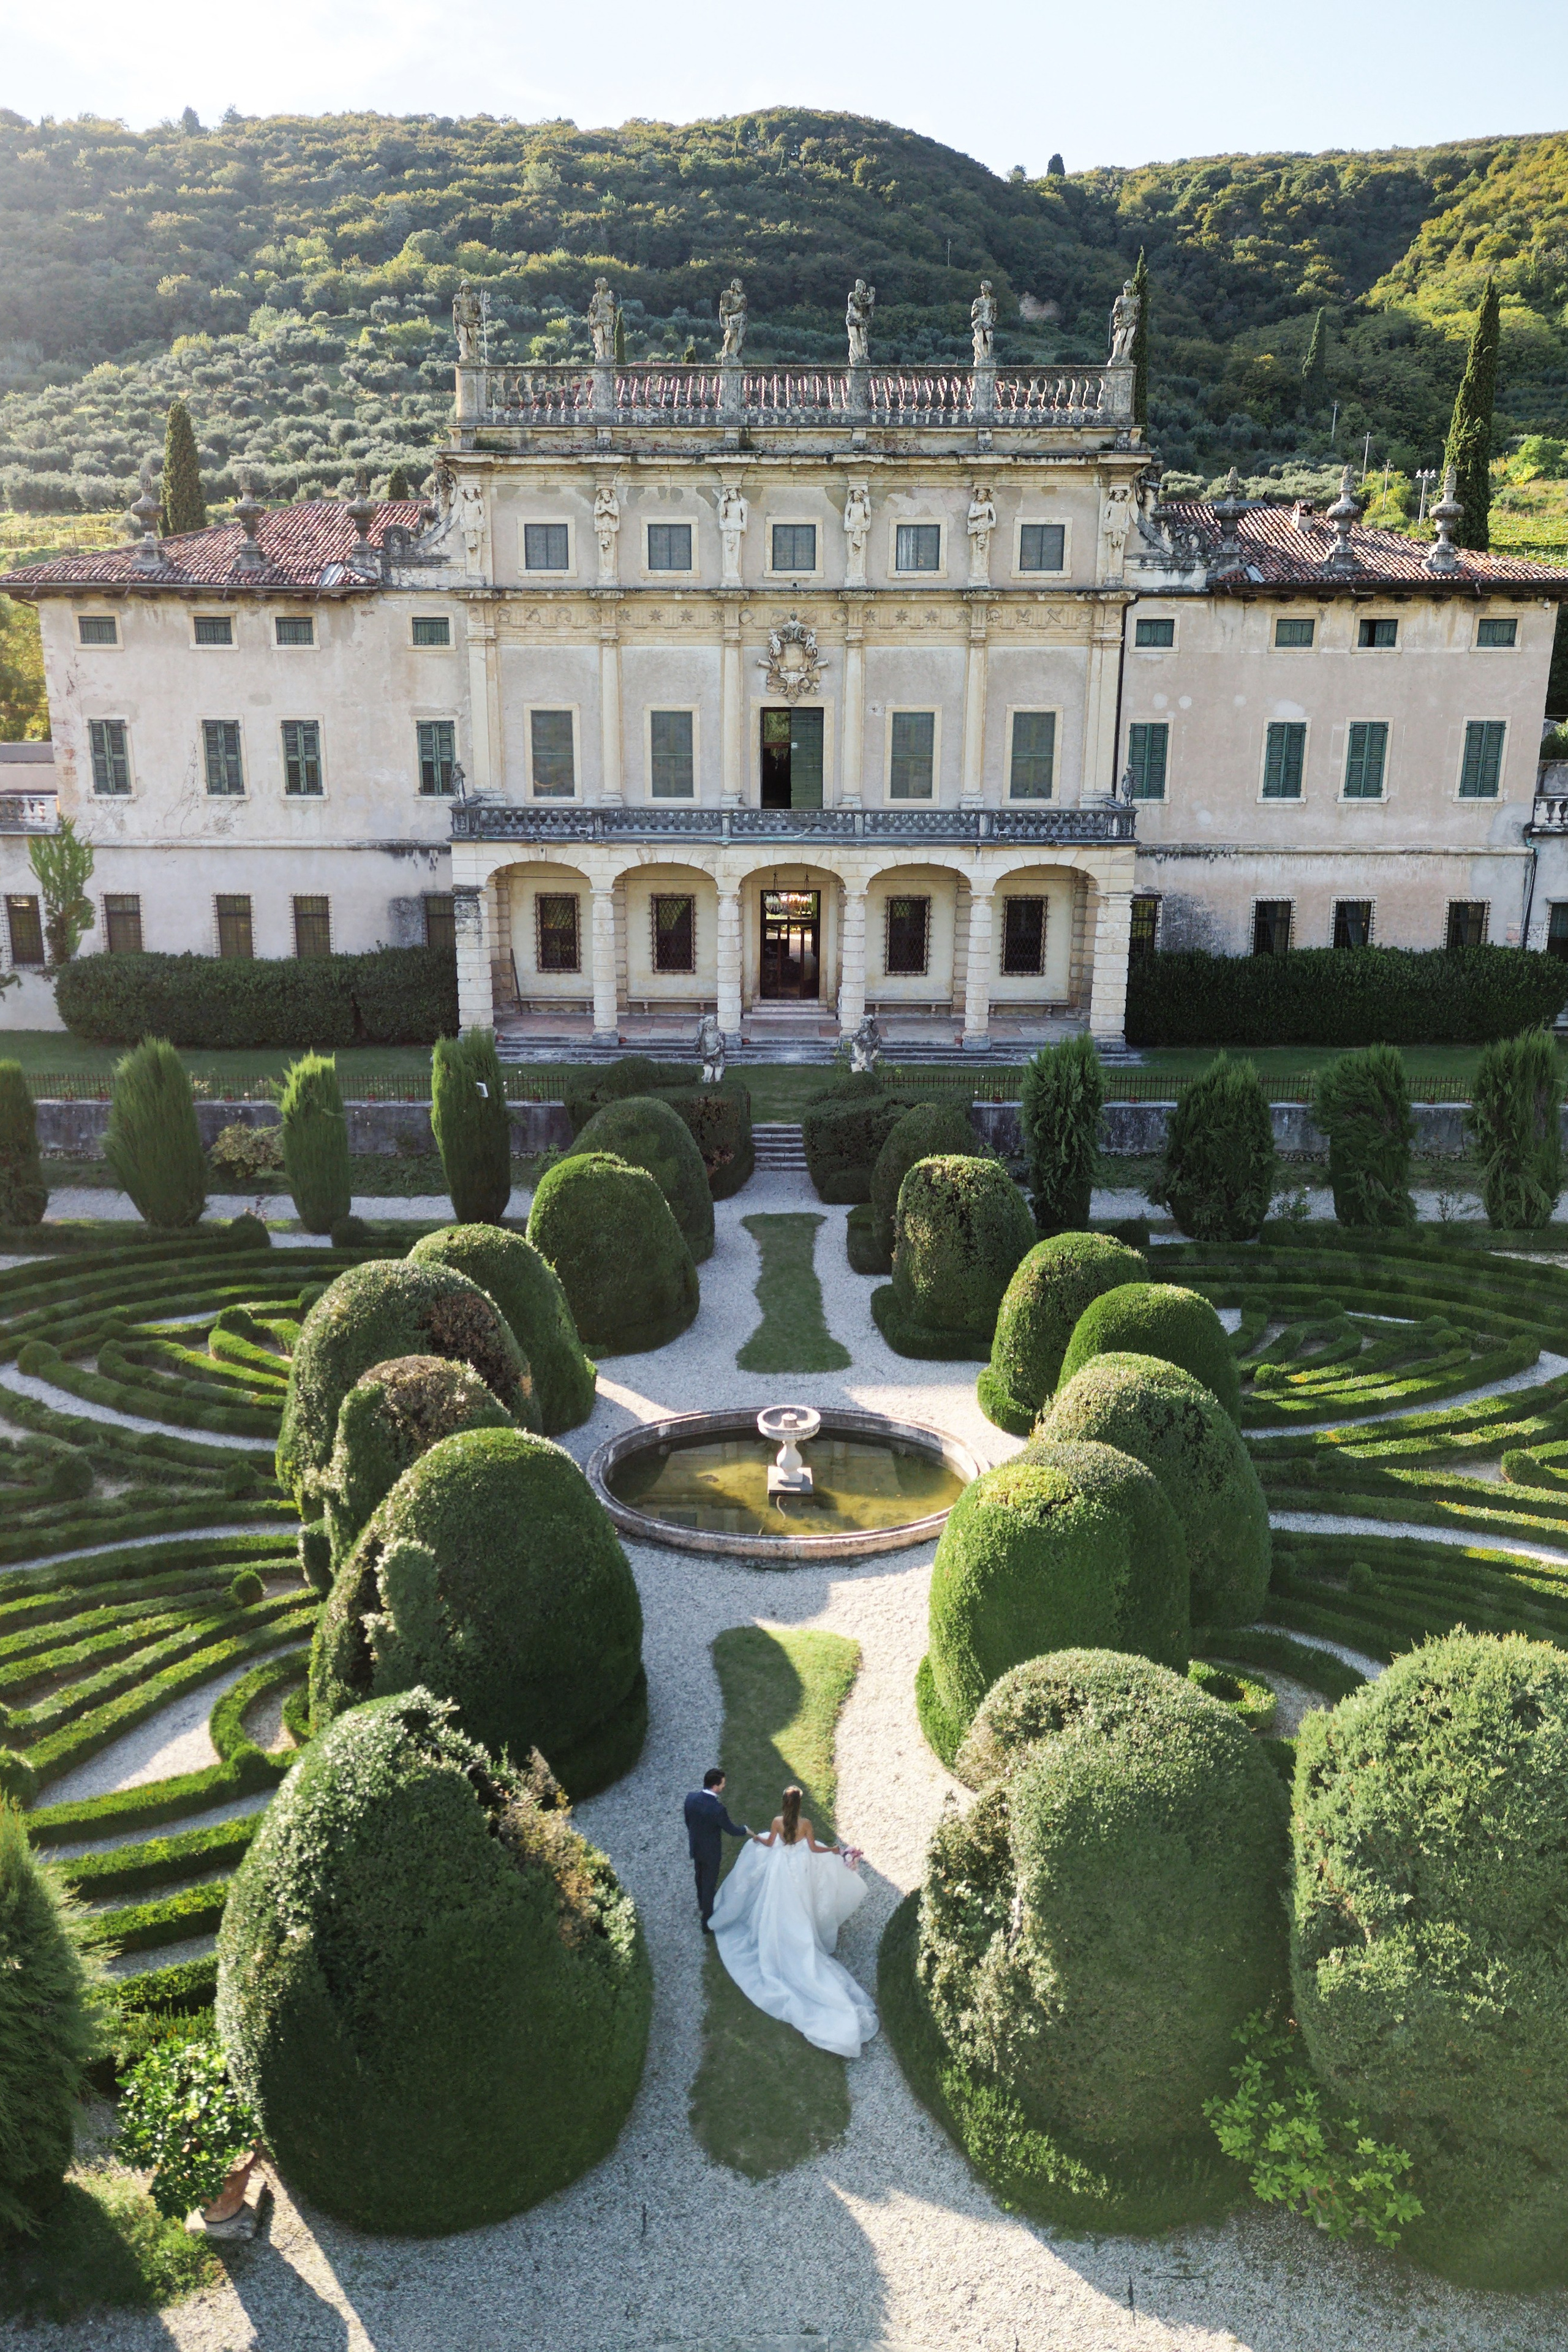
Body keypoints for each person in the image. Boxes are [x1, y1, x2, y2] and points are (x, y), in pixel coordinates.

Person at [708, 1785, 878, 2058]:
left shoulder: (777, 1822)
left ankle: (776, 1934)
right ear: (798, 1805)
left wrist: (756, 1839)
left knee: (771, 1903)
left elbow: (769, 1842)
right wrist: (835, 1850)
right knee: (801, 1905)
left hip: (780, 1868)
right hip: (798, 1868)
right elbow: (812, 1848)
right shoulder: (806, 1824)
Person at [684, 1768, 750, 1933]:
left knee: (699, 1876)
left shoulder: (690, 1799)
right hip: (711, 1853)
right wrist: (745, 1830)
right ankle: (707, 1923)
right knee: (709, 1884)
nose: (724, 1786)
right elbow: (731, 1830)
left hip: (696, 1847)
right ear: (715, 1786)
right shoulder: (717, 1809)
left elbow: (689, 1822)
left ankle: (701, 1903)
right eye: (722, 1784)